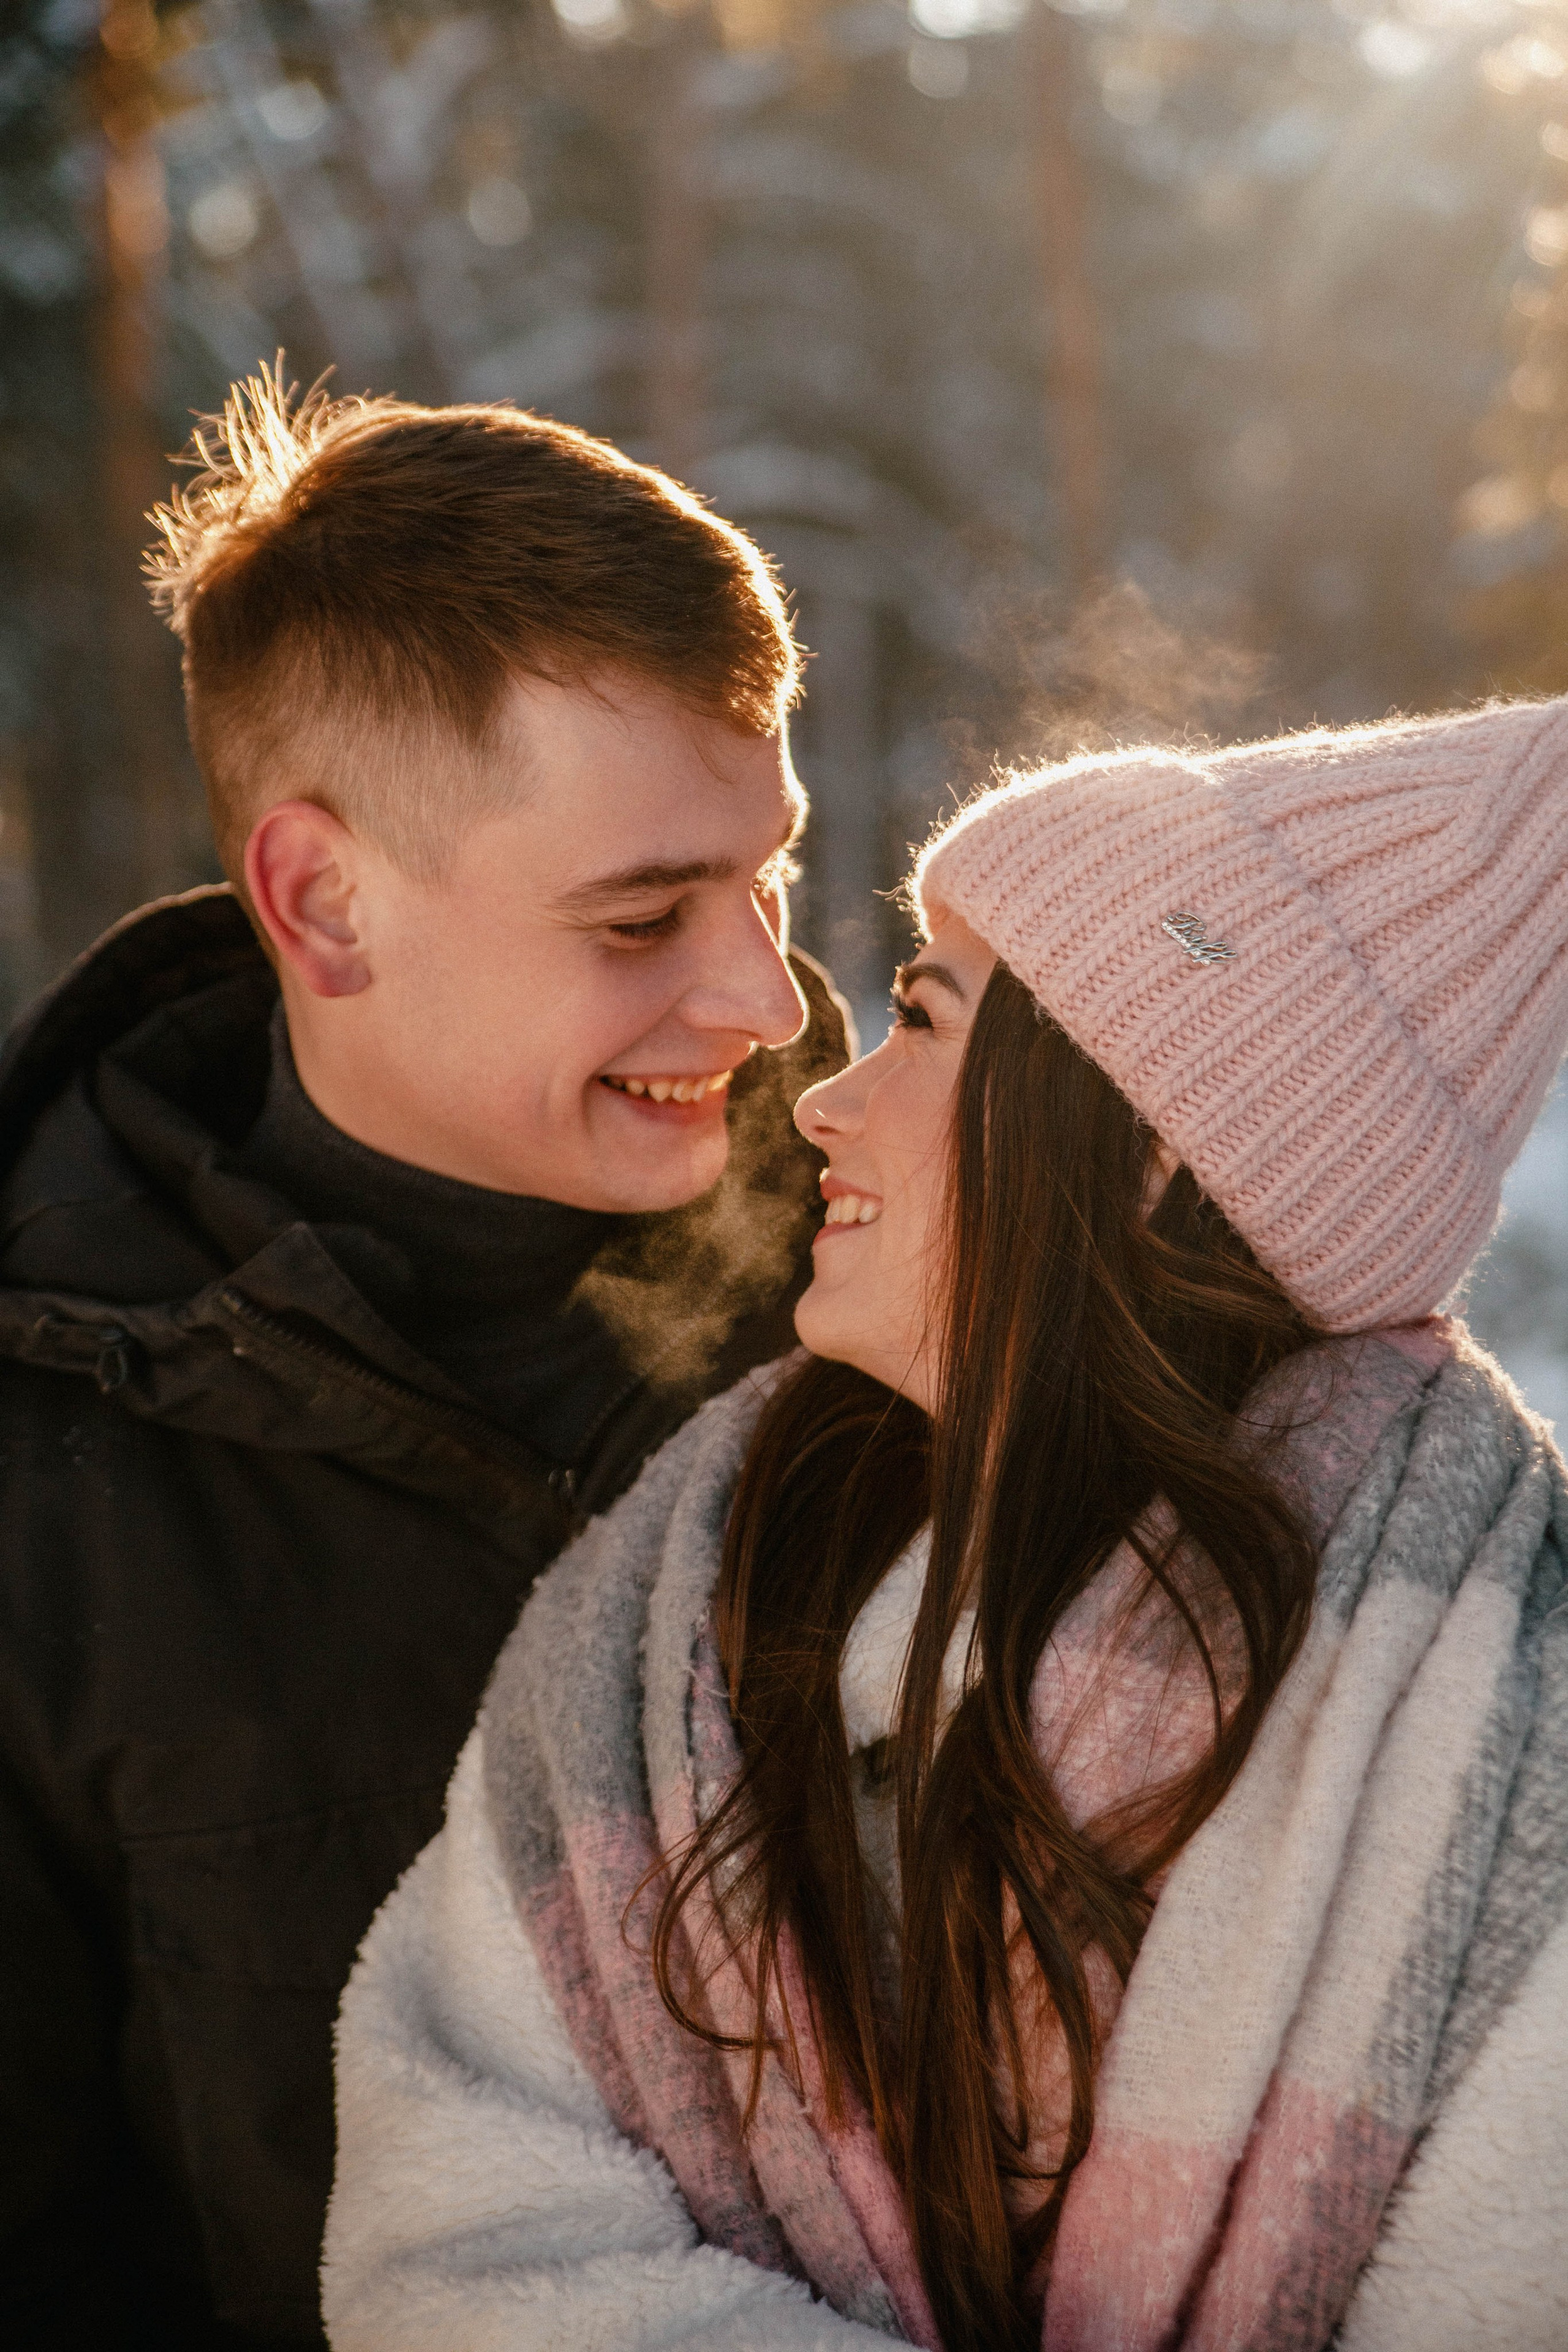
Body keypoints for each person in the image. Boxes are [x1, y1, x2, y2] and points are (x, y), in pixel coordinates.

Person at [326, 696, 1568, 2352]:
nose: (822, 1101)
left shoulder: (1503, 1743)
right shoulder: (686, 1601)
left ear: (1139, 1150)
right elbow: (456, 2236)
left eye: (923, 1019)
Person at [0, 370, 851, 2350]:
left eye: (772, 876)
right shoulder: (49, 1503)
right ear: (329, 902)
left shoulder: (904, 1289)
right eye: (642, 917)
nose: (757, 989)